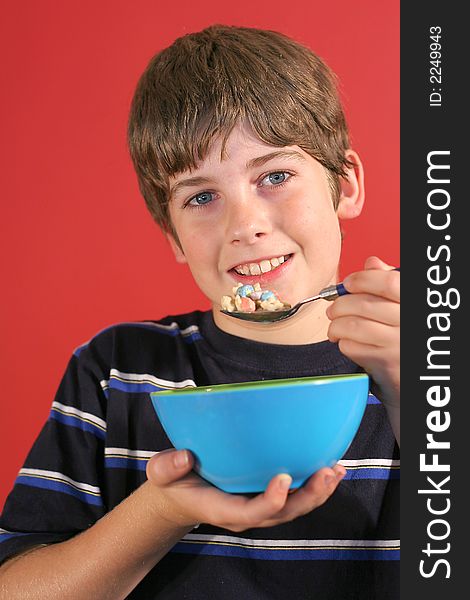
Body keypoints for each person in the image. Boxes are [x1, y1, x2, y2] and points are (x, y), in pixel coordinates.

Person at [0, 25, 400, 599]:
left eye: (276, 176)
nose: (244, 226)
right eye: (202, 197)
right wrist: (161, 510)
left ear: (347, 186)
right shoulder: (118, 371)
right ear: (174, 237)